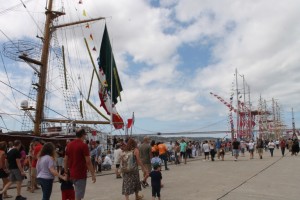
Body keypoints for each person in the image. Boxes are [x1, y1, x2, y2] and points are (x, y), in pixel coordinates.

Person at [64, 128, 96, 200]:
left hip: (71, 173)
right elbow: (88, 161)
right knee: (78, 197)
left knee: (76, 194)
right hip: (80, 174)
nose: (85, 136)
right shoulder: (83, 145)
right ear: (82, 135)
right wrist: (93, 174)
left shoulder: (69, 145)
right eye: (85, 134)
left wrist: (66, 172)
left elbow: (65, 160)